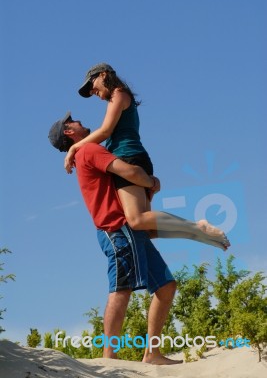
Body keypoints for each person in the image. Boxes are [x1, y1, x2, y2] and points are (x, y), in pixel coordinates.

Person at [49, 113, 230, 364]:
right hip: (117, 230)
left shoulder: (84, 152)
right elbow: (128, 171)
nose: (79, 120)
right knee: (121, 290)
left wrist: (146, 190)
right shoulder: (89, 150)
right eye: (74, 121)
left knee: (166, 287)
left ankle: (152, 353)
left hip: (128, 230)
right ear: (69, 132)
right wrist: (151, 180)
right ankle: (108, 357)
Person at [64, 63, 230, 245]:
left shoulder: (118, 93)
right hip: (135, 157)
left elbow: (105, 131)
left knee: (136, 220)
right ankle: (199, 234)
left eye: (92, 84)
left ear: (103, 75)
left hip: (128, 156)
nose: (92, 91)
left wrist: (74, 148)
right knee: (148, 229)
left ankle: (198, 227)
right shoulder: (119, 95)